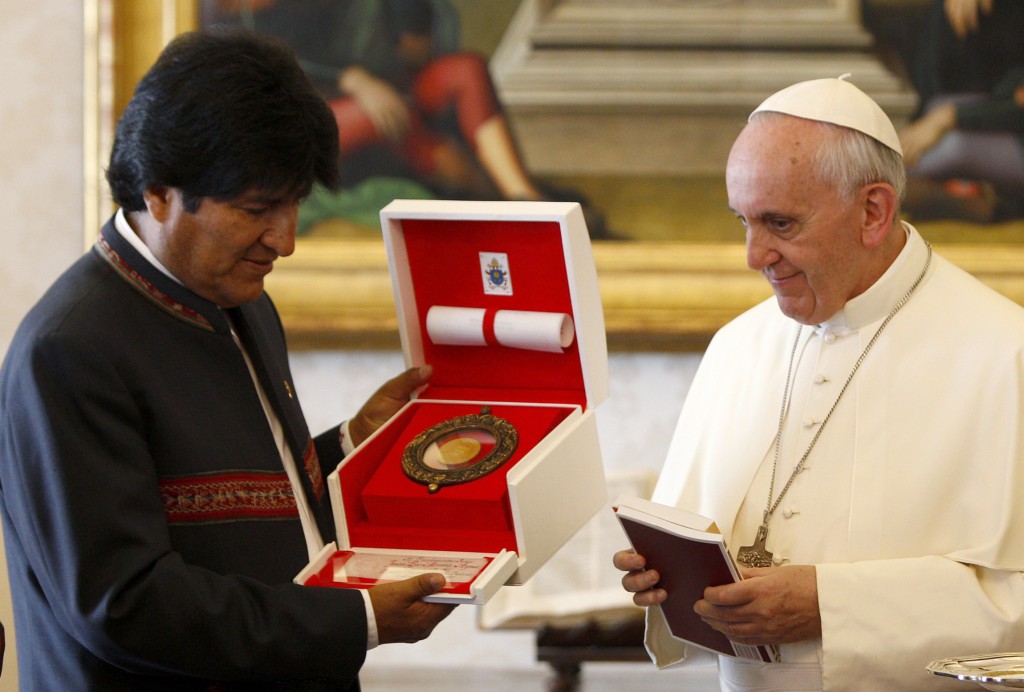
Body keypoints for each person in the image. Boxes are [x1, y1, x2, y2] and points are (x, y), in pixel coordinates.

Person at [0, 30, 455, 689]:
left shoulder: (241, 298)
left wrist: (356, 443)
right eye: (256, 209)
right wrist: (356, 620)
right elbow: (122, 603)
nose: (286, 239)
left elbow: (254, 515)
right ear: (158, 192)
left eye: (295, 203)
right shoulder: (68, 349)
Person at [614, 76, 1024, 690]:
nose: (755, 255)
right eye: (743, 222)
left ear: (873, 212)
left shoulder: (1005, 352)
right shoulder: (738, 346)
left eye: (780, 223)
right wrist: (667, 578)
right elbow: (695, 540)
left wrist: (830, 604)